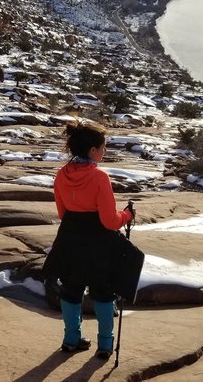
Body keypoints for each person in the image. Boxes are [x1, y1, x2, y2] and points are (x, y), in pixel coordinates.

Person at [43, 121, 134, 360]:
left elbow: (63, 213)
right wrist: (127, 215)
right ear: (92, 150)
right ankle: (105, 345)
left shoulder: (62, 174)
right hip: (97, 242)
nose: (105, 151)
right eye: (103, 147)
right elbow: (109, 221)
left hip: (70, 237)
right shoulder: (99, 177)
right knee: (103, 293)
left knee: (71, 290)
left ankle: (71, 340)